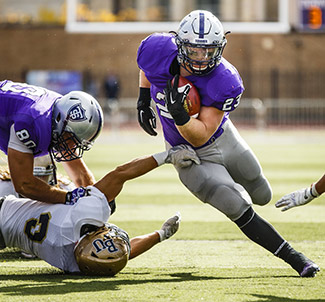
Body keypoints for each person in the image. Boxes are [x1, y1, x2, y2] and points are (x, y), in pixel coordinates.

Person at [136, 10, 319, 277]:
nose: (201, 58)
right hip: (187, 154)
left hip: (220, 138)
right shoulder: (156, 49)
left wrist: (180, 116)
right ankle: (296, 259)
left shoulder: (225, 80)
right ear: (179, 45)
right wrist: (143, 97)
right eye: (194, 50)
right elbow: (146, 66)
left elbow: (203, 133)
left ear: (220, 47)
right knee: (236, 203)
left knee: (262, 193)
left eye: (209, 51)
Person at [0, 144, 198, 275]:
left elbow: (120, 174)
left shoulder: (86, 214)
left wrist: (167, 156)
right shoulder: (77, 264)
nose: (112, 235)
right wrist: (160, 235)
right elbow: (121, 254)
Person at [0, 80, 103, 205]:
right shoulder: (31, 122)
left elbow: (81, 176)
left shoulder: (60, 114)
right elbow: (24, 184)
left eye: (78, 142)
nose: (73, 147)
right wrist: (69, 197)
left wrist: (98, 197)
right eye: (72, 139)